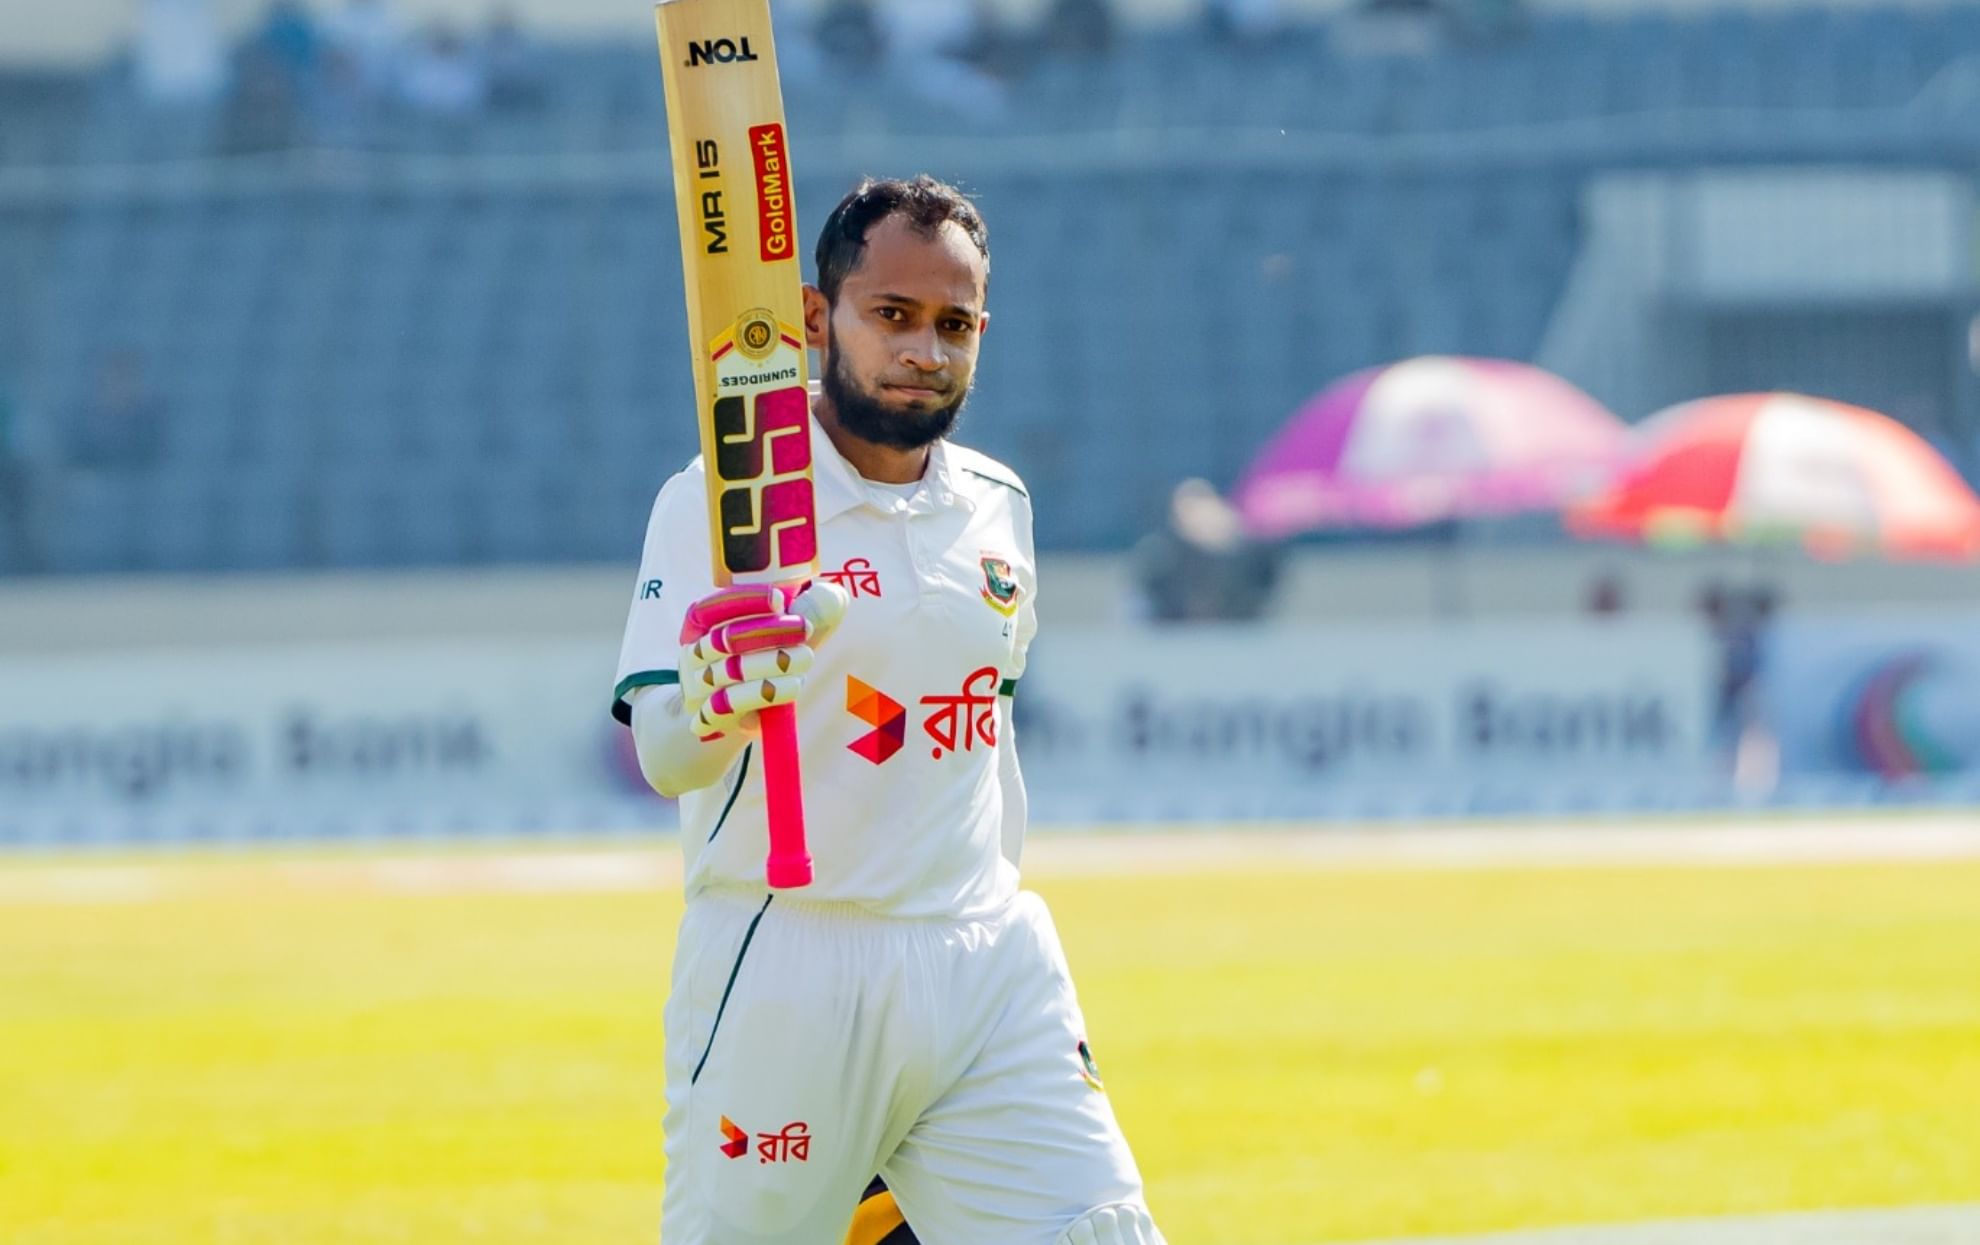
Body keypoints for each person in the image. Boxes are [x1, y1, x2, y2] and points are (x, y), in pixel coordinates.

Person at [613, 176, 1164, 1245]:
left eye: (954, 324)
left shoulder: (998, 504)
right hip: (791, 960)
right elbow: (667, 758)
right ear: (818, 319)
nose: (925, 350)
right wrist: (719, 696)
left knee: (1101, 1230)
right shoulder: (726, 503)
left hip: (986, 959)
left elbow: (986, 740)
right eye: (894, 315)